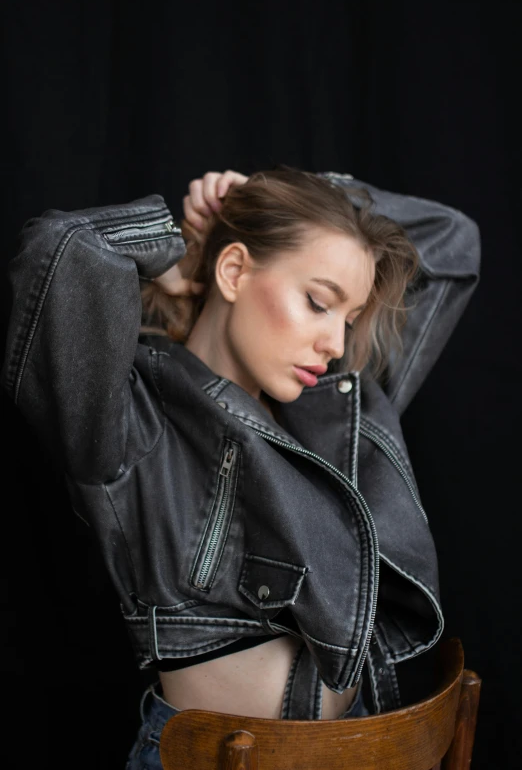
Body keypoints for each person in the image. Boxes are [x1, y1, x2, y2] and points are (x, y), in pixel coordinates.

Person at [1, 166, 480, 769]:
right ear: (233, 271)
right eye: (318, 302)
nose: (335, 342)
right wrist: (171, 251)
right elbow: (60, 250)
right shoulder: (135, 418)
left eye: (348, 319)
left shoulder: (336, 410)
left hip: (363, 748)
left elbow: (452, 242)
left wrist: (286, 187)